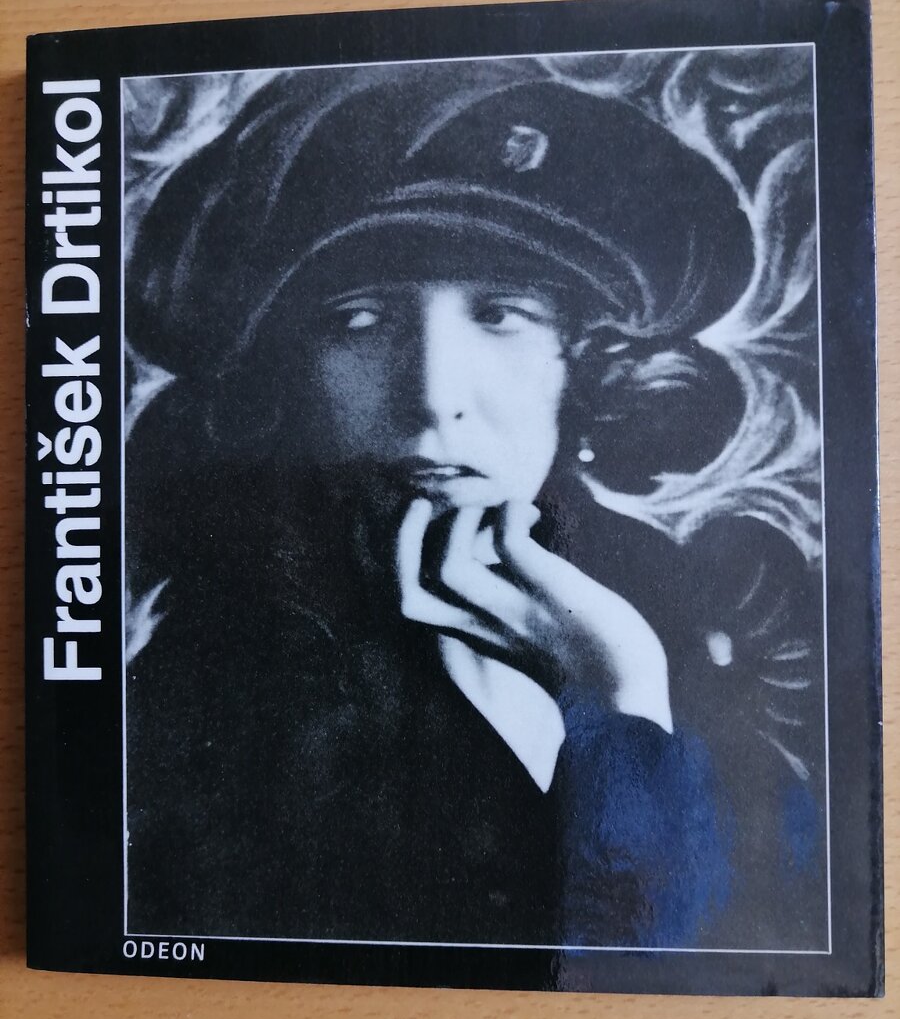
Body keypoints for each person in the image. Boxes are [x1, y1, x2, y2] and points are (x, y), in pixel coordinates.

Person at [124, 58, 825, 950]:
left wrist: (623, 683)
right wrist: (616, 701)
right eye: (358, 320)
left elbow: (743, 955)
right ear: (283, 376)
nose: (433, 396)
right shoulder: (209, 710)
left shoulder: (686, 630)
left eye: (500, 314)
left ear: (581, 363)